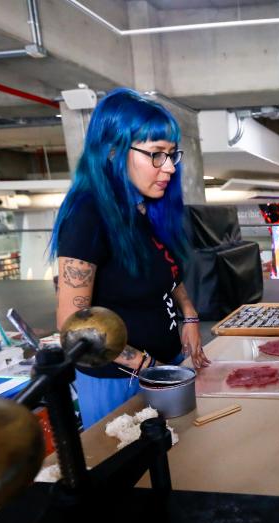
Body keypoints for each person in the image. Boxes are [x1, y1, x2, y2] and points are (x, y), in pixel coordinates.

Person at [50, 88, 210, 428]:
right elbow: (72, 325)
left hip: (162, 368)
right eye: (156, 154)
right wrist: (145, 365)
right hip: (120, 381)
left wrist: (189, 314)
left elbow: (167, 270)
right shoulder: (88, 216)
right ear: (113, 150)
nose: (169, 167)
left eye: (171, 154)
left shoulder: (142, 208)